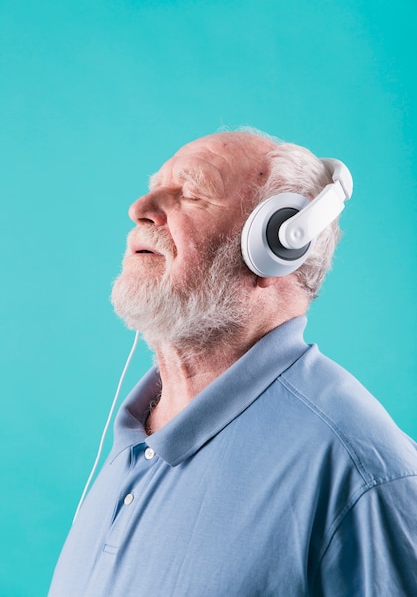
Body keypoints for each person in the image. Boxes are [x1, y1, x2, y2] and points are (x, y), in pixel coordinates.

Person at [49, 129, 417, 596]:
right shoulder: (137, 435)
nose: (140, 207)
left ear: (279, 243)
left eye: (192, 193)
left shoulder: (361, 473)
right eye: (155, 186)